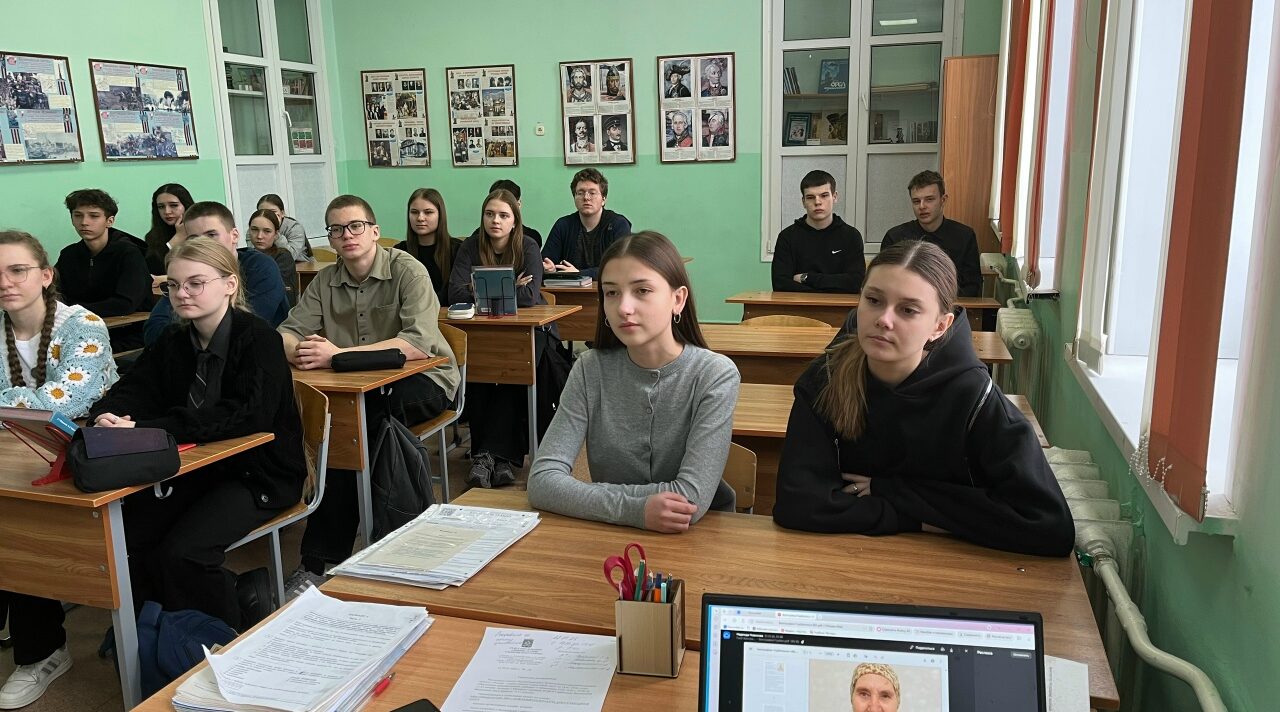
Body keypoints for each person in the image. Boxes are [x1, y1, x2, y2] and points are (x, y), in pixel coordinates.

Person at [772, 242, 1074, 556]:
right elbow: (797, 504)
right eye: (873, 300)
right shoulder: (825, 379)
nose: (884, 319)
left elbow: (1049, 526)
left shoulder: (973, 396)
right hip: (850, 558)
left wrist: (895, 493)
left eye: (908, 310)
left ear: (940, 326)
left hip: (956, 568)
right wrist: (918, 519)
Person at [88, 239, 307, 632]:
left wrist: (152, 427)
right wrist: (107, 414)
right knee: (129, 540)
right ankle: (158, 631)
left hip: (259, 475)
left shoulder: (259, 338)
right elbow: (132, 387)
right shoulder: (174, 340)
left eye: (195, 283)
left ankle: (226, 634)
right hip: (195, 470)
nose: (181, 294)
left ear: (229, 285)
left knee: (183, 554)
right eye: (172, 285)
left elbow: (248, 416)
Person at [278, 195, 459, 587]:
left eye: (355, 226)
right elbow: (287, 333)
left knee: (356, 428)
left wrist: (338, 356)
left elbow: (415, 344)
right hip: (356, 389)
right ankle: (330, 556)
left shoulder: (408, 271)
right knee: (341, 424)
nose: (347, 235)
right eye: (336, 229)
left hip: (427, 379)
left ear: (375, 231)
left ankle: (343, 553)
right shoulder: (325, 280)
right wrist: (302, 350)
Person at [527, 231, 740, 531]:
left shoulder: (714, 374)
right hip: (615, 535)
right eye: (611, 293)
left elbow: (690, 500)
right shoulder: (590, 369)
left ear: (678, 299)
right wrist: (634, 509)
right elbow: (542, 482)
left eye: (642, 290)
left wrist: (586, 497)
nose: (624, 308)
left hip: (699, 538)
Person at [0, 231, 118, 709]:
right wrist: (20, 407)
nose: (5, 282)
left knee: (24, 527)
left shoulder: (83, 325)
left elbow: (67, 403)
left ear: (46, 276)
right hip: (14, 451)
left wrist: (12, 403)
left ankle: (43, 653)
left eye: (18, 270)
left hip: (82, 455)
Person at [448, 189, 549, 487]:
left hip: (528, 332)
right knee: (479, 377)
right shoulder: (470, 246)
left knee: (510, 375)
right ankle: (500, 458)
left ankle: (487, 456)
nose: (495, 220)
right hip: (483, 330)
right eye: (490, 214)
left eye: (504, 215)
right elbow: (454, 293)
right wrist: (509, 285)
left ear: (515, 220)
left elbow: (529, 296)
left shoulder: (528, 246)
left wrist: (477, 285)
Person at [143, 201, 290, 345]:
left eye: (211, 235)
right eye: (194, 239)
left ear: (234, 236)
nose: (203, 244)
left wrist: (183, 335)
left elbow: (244, 331)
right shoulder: (186, 274)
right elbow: (153, 331)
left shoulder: (261, 267)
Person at [882, 170, 982, 297]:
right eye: (916, 201)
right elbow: (886, 282)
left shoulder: (965, 236)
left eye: (929, 199)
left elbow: (972, 286)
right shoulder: (895, 237)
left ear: (943, 200)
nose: (922, 206)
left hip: (950, 304)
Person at [54, 189, 151, 318]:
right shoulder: (68, 254)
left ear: (109, 221)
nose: (84, 222)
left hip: (127, 326)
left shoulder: (129, 254)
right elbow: (54, 292)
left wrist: (73, 310)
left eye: (94, 216)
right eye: (78, 215)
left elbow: (126, 303)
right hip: (77, 322)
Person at [771, 170, 866, 293]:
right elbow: (780, 284)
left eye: (824, 195)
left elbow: (855, 283)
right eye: (810, 197)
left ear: (835, 197)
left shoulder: (851, 236)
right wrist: (832, 286)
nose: (817, 202)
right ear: (803, 201)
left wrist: (807, 278)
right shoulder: (787, 237)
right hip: (798, 304)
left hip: (838, 305)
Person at [543, 169, 632, 279]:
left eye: (592, 193)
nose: (586, 197)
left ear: (603, 199)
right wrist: (549, 269)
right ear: (574, 198)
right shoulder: (563, 225)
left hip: (608, 286)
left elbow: (621, 267)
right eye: (580, 193)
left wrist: (579, 273)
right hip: (568, 287)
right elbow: (546, 260)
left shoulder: (618, 224)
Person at [394, 187, 463, 304]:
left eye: (428, 212)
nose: (420, 218)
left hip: (446, 313)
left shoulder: (458, 249)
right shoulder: (399, 252)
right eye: (414, 212)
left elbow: (457, 292)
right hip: (410, 312)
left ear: (440, 215)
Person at [247, 209, 298, 306]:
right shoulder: (246, 256)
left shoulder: (283, 257)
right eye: (254, 229)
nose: (259, 236)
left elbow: (271, 290)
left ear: (276, 234)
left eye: (267, 231)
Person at [143, 183, 194, 277]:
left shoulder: (200, 232)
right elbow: (153, 270)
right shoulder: (152, 236)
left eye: (174, 205)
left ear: (186, 206)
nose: (167, 212)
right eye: (161, 207)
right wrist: (177, 238)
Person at [256, 193, 312, 262]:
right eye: (262, 212)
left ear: (282, 213)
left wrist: (275, 232)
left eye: (272, 212)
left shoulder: (294, 227)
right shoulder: (253, 229)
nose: (267, 216)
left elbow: (291, 256)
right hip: (269, 264)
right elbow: (254, 255)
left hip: (300, 264)